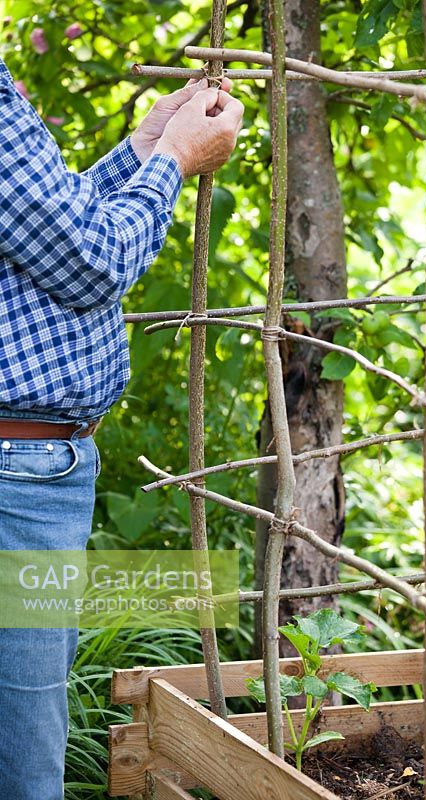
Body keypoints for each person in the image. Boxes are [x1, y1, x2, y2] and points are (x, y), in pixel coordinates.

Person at [0, 54, 244, 800]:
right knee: (24, 738)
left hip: (28, 463)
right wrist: (174, 160)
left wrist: (142, 148)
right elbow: (91, 260)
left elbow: (47, 224)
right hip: (19, 476)